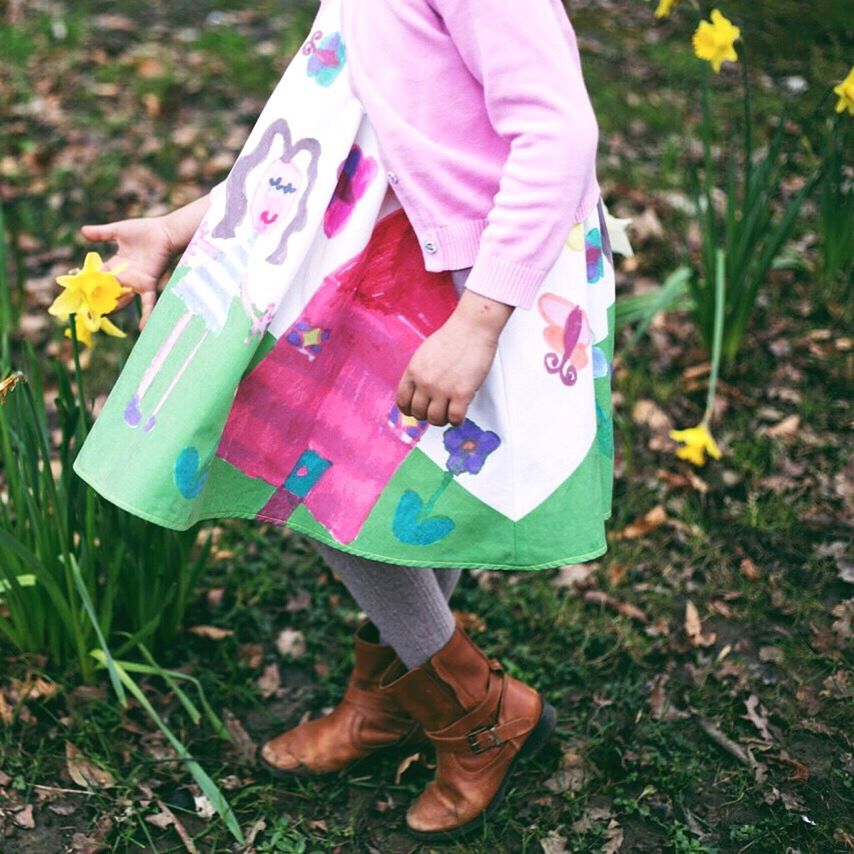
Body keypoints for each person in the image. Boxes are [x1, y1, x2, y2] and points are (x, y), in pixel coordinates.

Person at [75, 0, 616, 841]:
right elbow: (342, 123)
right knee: (375, 474)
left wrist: (478, 319)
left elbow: (561, 135)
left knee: (323, 469)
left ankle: (475, 713)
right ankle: (396, 698)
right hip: (365, 247)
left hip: (458, 274)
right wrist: (181, 226)